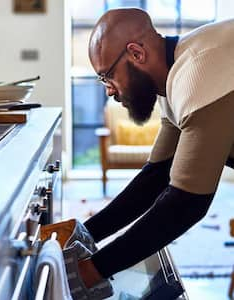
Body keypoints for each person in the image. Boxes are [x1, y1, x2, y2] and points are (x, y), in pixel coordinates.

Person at [56, 7, 234, 297]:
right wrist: (85, 233)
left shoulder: (199, 71)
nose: (109, 91)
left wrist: (92, 270)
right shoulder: (176, 74)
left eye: (107, 76)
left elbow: (186, 203)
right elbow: (156, 177)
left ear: (136, 54)